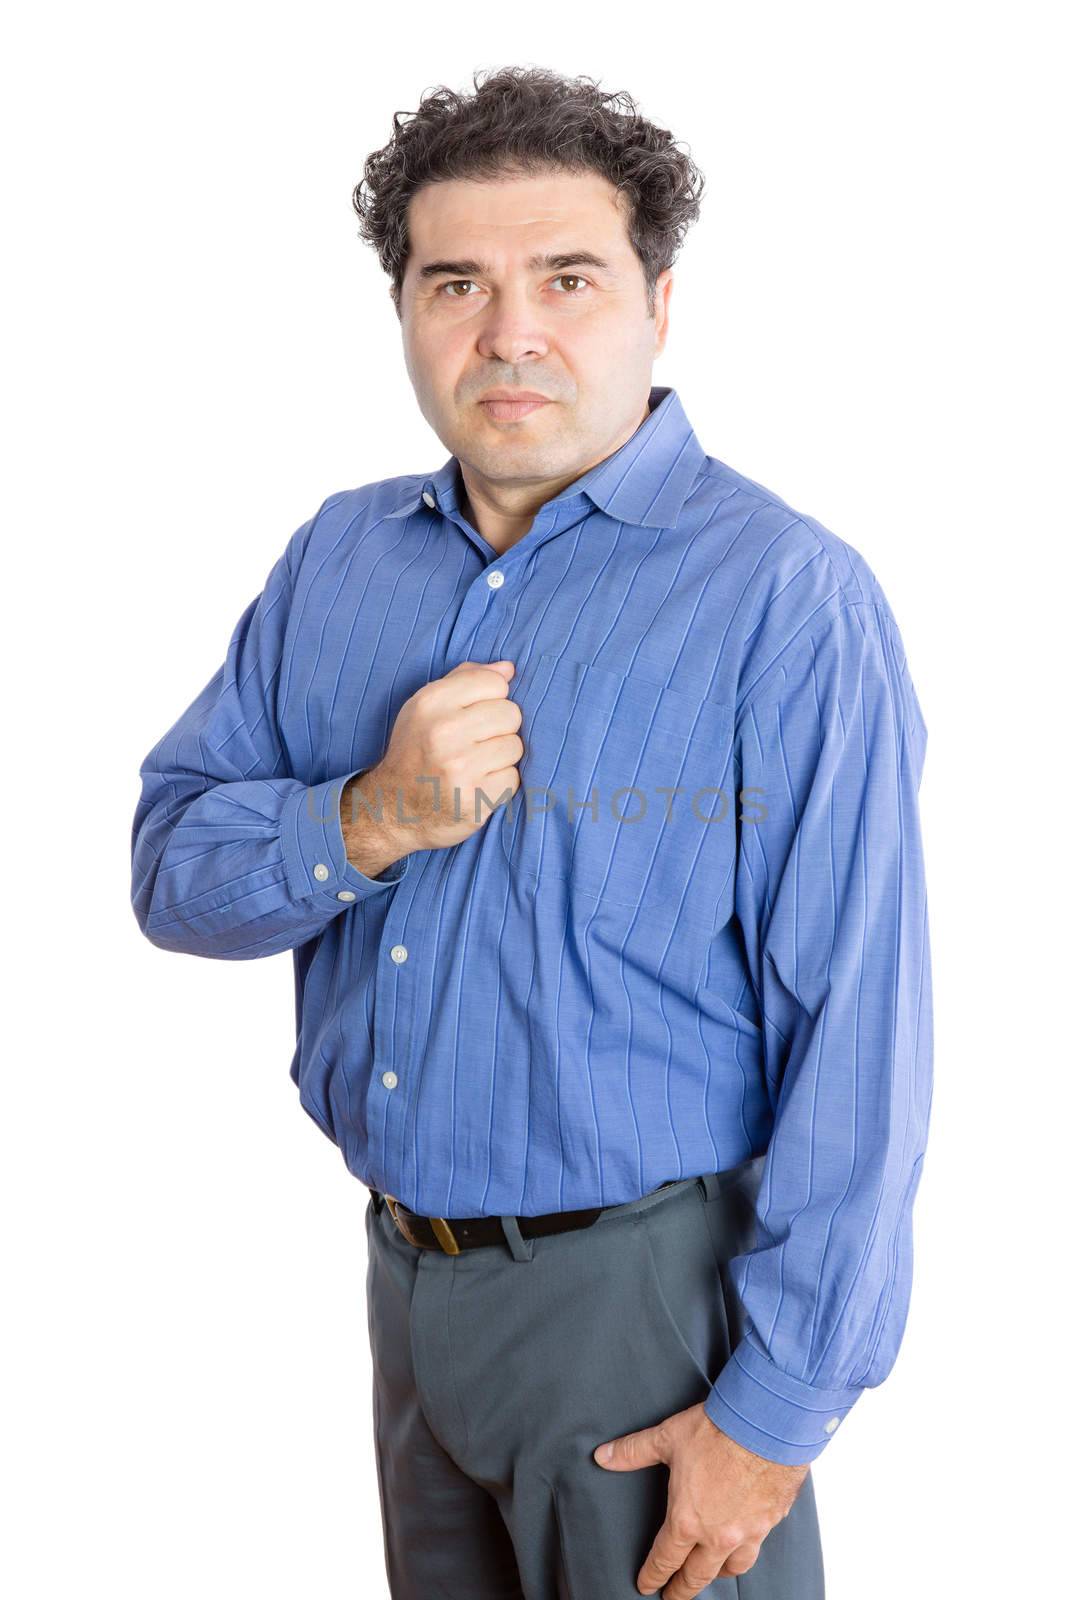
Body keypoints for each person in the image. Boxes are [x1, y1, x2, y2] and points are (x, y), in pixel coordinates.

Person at [131, 65, 933, 1600]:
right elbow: (174, 872)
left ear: (658, 304)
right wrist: (368, 818)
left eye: (567, 277)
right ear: (408, 312)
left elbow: (863, 1034)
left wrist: (774, 1412)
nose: (509, 332)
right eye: (459, 283)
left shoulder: (785, 599)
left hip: (649, 1316)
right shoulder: (339, 559)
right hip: (405, 1295)